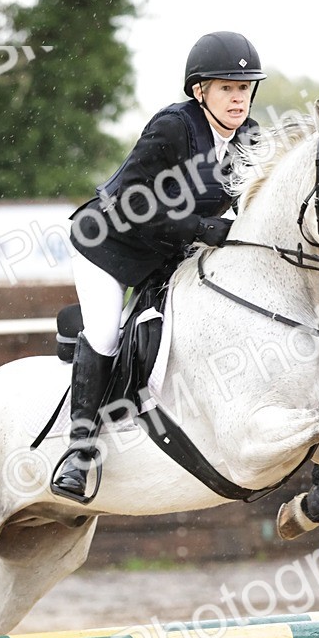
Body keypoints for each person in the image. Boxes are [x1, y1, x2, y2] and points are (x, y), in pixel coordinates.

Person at [51, 30, 266, 502]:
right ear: (200, 92)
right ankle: (80, 451)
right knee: (106, 332)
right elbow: (130, 201)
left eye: (245, 88)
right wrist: (202, 228)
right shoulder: (174, 127)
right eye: (227, 87)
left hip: (169, 252)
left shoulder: (250, 138)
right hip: (109, 244)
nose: (239, 98)